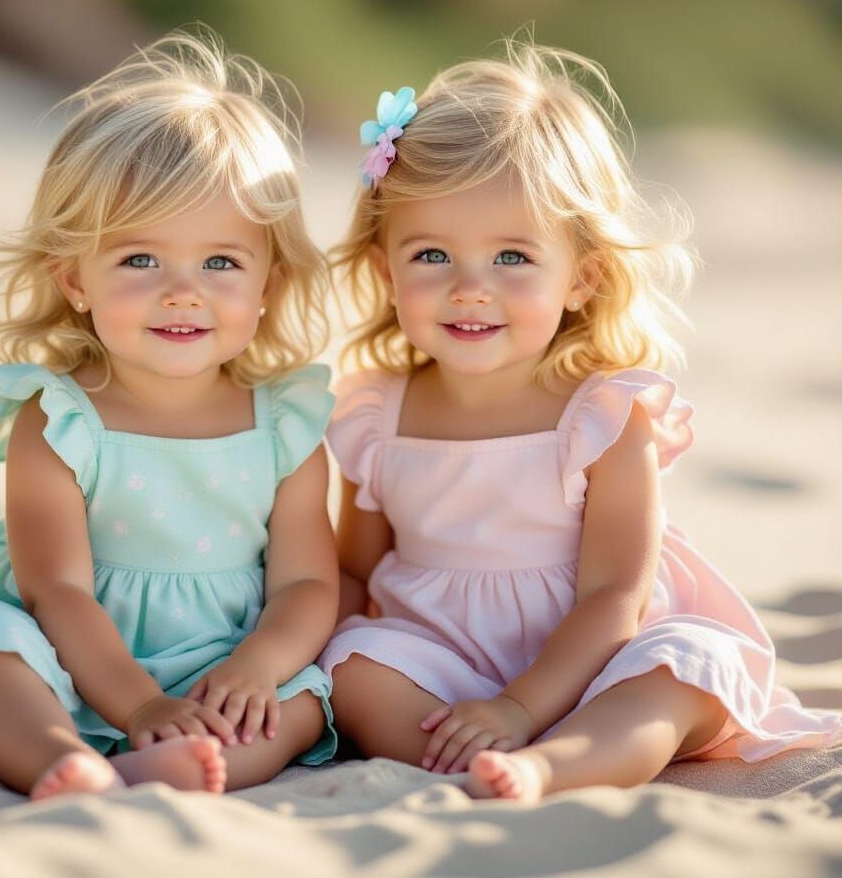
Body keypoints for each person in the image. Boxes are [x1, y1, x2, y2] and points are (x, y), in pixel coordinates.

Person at [320, 40, 842, 803]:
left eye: (512, 257)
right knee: (354, 664)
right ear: (383, 270)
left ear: (582, 278)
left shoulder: (602, 415)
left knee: (682, 669)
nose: (470, 288)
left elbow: (615, 595)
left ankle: (550, 764)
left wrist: (520, 707)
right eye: (431, 255)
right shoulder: (375, 415)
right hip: (445, 664)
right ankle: (459, 759)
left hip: (600, 659)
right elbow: (356, 576)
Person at [0, 30, 340, 800]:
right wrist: (138, 705)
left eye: (221, 262)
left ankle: (183, 770)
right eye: (140, 260)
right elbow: (56, 592)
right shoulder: (60, 421)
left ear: (268, 284)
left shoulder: (285, 427)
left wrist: (255, 665)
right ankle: (57, 757)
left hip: (218, 659)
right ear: (75, 279)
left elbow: (307, 582)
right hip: (63, 652)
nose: (184, 292)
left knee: (302, 701)